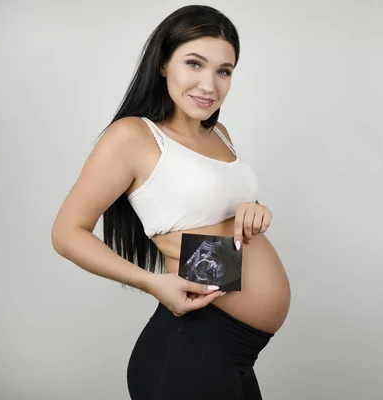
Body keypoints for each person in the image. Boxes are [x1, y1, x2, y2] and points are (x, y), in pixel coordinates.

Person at [51, 5, 291, 399]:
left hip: (237, 351)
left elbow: (214, 217)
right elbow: (66, 233)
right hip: (190, 345)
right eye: (194, 64)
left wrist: (257, 211)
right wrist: (152, 282)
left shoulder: (220, 134)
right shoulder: (134, 136)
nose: (209, 85)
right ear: (163, 63)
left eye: (223, 70)